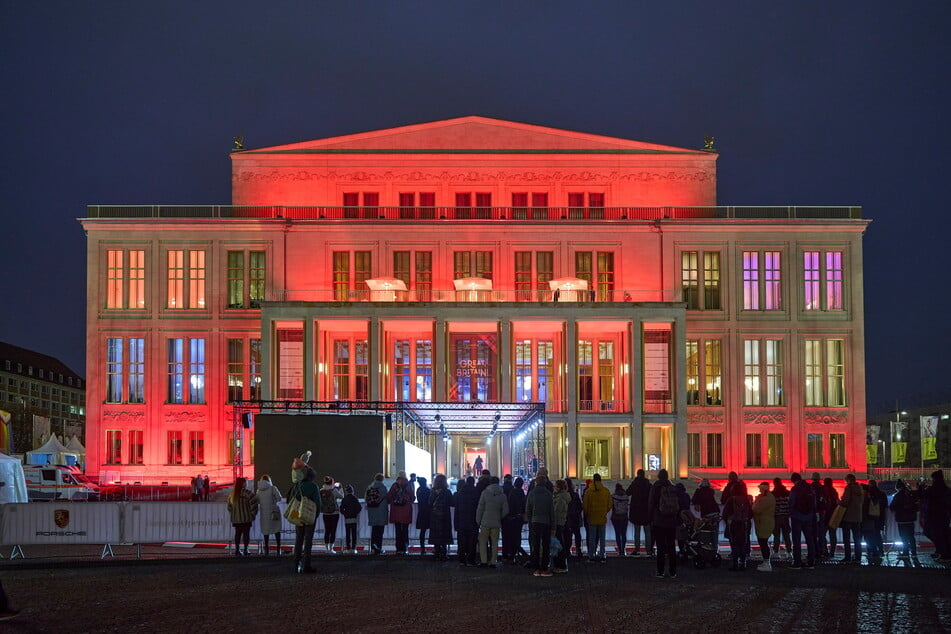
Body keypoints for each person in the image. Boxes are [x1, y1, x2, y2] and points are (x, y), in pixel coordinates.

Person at [648, 469, 679, 578]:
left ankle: (660, 571)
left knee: (660, 547)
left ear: (659, 476)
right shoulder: (672, 487)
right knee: (671, 546)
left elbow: (651, 503)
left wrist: (650, 517)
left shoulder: (656, 487)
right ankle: (673, 571)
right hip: (671, 521)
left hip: (659, 520)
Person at [289, 463, 320, 573]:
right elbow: (318, 503)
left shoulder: (297, 486)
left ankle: (296, 564)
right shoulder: (313, 486)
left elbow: (291, 499)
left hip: (298, 516)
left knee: (298, 540)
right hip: (309, 516)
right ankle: (306, 566)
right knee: (308, 542)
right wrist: (316, 515)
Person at [525, 472, 556, 576]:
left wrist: (530, 520)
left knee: (536, 545)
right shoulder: (548, 494)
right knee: (546, 546)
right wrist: (553, 526)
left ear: (536, 483)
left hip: (535, 522)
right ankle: (544, 568)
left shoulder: (531, 493)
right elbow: (552, 511)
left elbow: (528, 510)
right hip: (546, 522)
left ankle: (536, 569)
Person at [476, 475, 509, 567]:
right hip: (496, 522)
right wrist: (499, 516)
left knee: (483, 542)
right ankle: (493, 561)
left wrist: (478, 520)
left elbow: (480, 508)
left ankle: (484, 561)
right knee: (495, 543)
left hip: (485, 521)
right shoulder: (502, 495)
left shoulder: (485, 493)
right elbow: (506, 510)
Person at [788, 472, 817, 570]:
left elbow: (791, 502)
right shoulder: (809, 487)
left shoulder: (795, 489)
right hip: (808, 516)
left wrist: (791, 512)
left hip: (797, 516)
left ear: (793, 480)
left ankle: (797, 562)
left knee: (797, 540)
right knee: (810, 539)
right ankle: (811, 562)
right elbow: (814, 502)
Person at [722, 480, 752, 571]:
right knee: (743, 543)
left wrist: (727, 520)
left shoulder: (731, 499)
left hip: (733, 524)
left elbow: (725, 513)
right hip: (743, 524)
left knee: (734, 543)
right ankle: (743, 563)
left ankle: (735, 563)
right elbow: (750, 513)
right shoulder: (746, 499)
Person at [582, 473, 612, 562]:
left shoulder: (589, 491)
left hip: (592, 517)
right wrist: (604, 511)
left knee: (592, 538)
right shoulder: (606, 491)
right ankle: (602, 555)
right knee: (602, 538)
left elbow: (585, 505)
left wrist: (588, 514)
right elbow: (610, 504)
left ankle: (591, 555)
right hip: (602, 517)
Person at [922, 470, 951, 561]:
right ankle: (943, 552)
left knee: (935, 534)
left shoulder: (933, 490)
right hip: (943, 516)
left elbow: (925, 497)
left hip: (935, 516)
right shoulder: (946, 490)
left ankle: (943, 553)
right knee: (943, 535)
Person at [227, 476, 258, 557]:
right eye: (245, 482)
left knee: (237, 534)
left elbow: (229, 507)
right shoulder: (248, 493)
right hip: (246, 518)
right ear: (243, 483)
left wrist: (235, 513)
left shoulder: (232, 494)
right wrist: (252, 514)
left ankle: (237, 549)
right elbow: (254, 504)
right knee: (246, 535)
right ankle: (246, 549)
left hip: (236, 519)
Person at [889, 479, 919, 558]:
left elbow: (892, 506)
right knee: (911, 536)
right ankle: (914, 553)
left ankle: (906, 553)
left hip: (902, 519)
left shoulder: (898, 495)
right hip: (911, 519)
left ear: (898, 487)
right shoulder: (910, 494)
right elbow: (916, 506)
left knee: (904, 537)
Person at [388, 471, 416, 555]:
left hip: (396, 510)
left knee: (397, 530)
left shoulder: (394, 485)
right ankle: (405, 547)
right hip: (406, 510)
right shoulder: (408, 485)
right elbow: (412, 498)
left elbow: (389, 497)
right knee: (405, 530)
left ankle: (398, 548)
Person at [838, 473, 864, 563]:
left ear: (848, 480)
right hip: (857, 517)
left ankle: (848, 557)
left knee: (847, 538)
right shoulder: (860, 488)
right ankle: (858, 557)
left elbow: (845, 502)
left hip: (848, 516)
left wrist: (839, 501)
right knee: (857, 538)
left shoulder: (849, 488)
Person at [454, 476, 479, 566]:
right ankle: (471, 559)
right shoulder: (476, 493)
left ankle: (462, 559)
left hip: (462, 521)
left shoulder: (460, 493)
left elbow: (456, 509)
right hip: (473, 521)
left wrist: (456, 523)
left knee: (461, 541)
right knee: (472, 542)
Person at [255, 474, 283, 556]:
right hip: (274, 512)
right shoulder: (272, 488)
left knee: (266, 531)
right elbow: (279, 498)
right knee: (277, 530)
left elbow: (257, 501)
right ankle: (278, 549)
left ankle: (266, 549)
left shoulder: (258, 490)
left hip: (264, 513)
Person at [627, 469, 652, 556]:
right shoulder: (648, 484)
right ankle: (649, 550)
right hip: (646, 511)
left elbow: (627, 492)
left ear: (637, 475)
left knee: (637, 532)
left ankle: (637, 549)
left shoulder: (635, 484)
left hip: (636, 510)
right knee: (647, 532)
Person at [429, 474, 454, 561]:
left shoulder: (432, 492)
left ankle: (436, 552)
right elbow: (451, 502)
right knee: (444, 535)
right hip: (445, 516)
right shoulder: (447, 492)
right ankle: (443, 553)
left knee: (436, 535)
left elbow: (430, 503)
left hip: (435, 516)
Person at [502, 476, 527, 564]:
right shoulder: (522, 493)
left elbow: (510, 505)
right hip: (519, 517)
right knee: (517, 536)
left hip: (512, 517)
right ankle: (517, 554)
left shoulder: (512, 492)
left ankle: (511, 554)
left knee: (510, 537)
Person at [691, 478, 720, 552]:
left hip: (707, 514)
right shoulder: (711, 491)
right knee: (715, 532)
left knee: (706, 532)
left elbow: (694, 500)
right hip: (715, 512)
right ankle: (715, 547)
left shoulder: (699, 491)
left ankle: (706, 548)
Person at [752, 482, 776, 571]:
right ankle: (766, 562)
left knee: (763, 543)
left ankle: (767, 563)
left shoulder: (765, 499)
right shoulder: (768, 497)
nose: (759, 490)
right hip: (764, 523)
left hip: (764, 523)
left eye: (760, 489)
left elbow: (756, 509)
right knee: (763, 543)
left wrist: (755, 502)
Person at [365, 473, 390, 555]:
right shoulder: (383, 488)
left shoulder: (369, 487)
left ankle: (373, 548)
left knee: (374, 531)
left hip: (372, 512)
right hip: (381, 512)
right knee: (380, 532)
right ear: (382, 479)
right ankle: (378, 548)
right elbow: (387, 498)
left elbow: (366, 498)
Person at [319, 476, 344, 554]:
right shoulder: (334, 490)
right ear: (332, 483)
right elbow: (342, 496)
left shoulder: (321, 491)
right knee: (333, 530)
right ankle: (331, 549)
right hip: (334, 513)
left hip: (325, 513)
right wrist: (341, 488)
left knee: (327, 530)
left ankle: (326, 548)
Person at [863, 480, 887, 560]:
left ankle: (871, 551)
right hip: (879, 518)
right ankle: (880, 550)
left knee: (869, 536)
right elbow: (885, 506)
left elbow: (865, 506)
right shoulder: (882, 494)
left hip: (869, 518)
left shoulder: (868, 494)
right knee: (877, 535)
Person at [552, 479, 570, 573]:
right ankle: (561, 564)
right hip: (561, 522)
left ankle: (561, 565)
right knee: (560, 543)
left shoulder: (560, 498)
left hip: (557, 523)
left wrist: (553, 526)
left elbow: (555, 513)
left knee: (558, 545)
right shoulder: (563, 496)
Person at [771, 477, 792, 561]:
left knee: (776, 535)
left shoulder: (773, 494)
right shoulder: (787, 493)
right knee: (786, 535)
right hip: (785, 517)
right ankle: (789, 552)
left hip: (776, 517)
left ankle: (776, 552)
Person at [564, 478, 584, 558]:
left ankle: (567, 551)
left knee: (568, 535)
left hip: (567, 517)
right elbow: (580, 506)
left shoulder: (564, 495)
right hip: (575, 517)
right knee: (577, 534)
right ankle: (578, 550)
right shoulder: (575, 495)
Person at [339, 484, 362, 554]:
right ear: (352, 491)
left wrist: (345, 513)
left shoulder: (344, 499)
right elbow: (359, 508)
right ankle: (354, 548)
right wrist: (355, 513)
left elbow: (341, 509)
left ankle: (348, 547)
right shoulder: (355, 498)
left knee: (348, 533)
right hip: (354, 518)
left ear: (346, 491)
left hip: (347, 519)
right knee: (354, 533)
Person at [821, 478, 840, 558]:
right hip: (833, 515)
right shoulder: (834, 491)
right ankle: (832, 552)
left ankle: (825, 550)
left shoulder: (823, 490)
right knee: (833, 535)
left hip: (825, 516)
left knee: (822, 534)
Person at [611, 482, 630, 557]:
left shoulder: (613, 496)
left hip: (616, 517)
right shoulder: (626, 497)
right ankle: (623, 548)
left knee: (617, 533)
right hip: (624, 517)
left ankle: (620, 549)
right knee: (623, 533)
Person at [415, 476, 432, 556]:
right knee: (432, 530)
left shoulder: (418, 490)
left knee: (422, 531)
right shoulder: (428, 490)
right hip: (428, 512)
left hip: (421, 512)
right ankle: (435, 545)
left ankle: (422, 547)